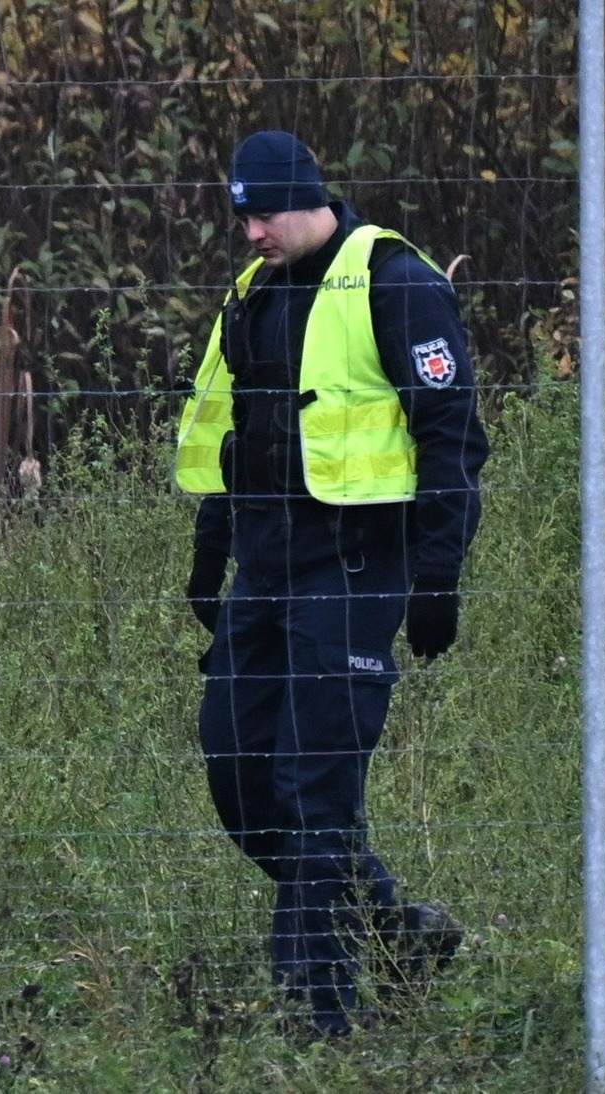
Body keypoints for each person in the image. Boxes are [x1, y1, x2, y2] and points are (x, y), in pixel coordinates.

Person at [174, 132, 488, 1037]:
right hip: (263, 566)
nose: (251, 233)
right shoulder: (254, 293)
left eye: (264, 213)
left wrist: (437, 577)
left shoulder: (395, 281)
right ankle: (393, 930)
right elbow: (239, 435)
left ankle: (318, 1012)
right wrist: (211, 550)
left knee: (318, 792)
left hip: (354, 568)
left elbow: (451, 436)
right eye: (240, 216)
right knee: (237, 774)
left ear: (309, 198)